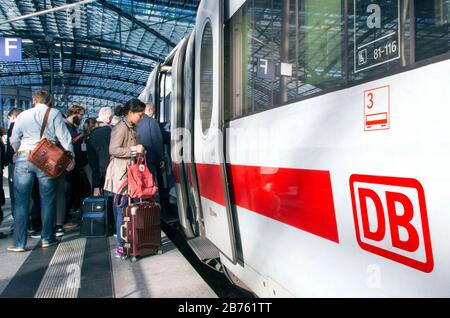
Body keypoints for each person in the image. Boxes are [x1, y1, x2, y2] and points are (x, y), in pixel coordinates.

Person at [8, 90, 74, 252]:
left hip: (24, 157)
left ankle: (19, 243)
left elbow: (14, 138)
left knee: (21, 202)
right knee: (48, 199)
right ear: (49, 101)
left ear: (33, 100)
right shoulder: (54, 113)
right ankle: (47, 237)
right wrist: (70, 157)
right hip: (45, 159)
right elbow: (64, 137)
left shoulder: (23, 115)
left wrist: (18, 151)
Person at [104, 99, 146, 258]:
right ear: (130, 113)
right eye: (140, 115)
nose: (141, 118)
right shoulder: (121, 127)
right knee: (122, 210)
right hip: (121, 175)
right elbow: (113, 149)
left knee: (128, 210)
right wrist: (133, 149)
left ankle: (129, 243)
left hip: (129, 173)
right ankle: (121, 246)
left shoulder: (131, 127)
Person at [87, 107, 112, 197]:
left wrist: (96, 184)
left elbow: (93, 162)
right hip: (116, 171)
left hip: (102, 173)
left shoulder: (93, 135)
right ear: (109, 118)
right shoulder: (114, 131)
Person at [136, 103, 164, 182]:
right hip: (150, 158)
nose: (153, 114)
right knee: (150, 181)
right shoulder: (152, 121)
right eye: (153, 112)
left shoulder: (135, 121)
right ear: (149, 110)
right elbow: (157, 141)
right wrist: (161, 158)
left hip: (137, 158)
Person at [5, 108, 23, 219]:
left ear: (13, 116)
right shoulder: (26, 127)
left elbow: (12, 145)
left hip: (15, 163)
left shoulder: (13, 127)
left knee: (15, 194)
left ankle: (17, 219)